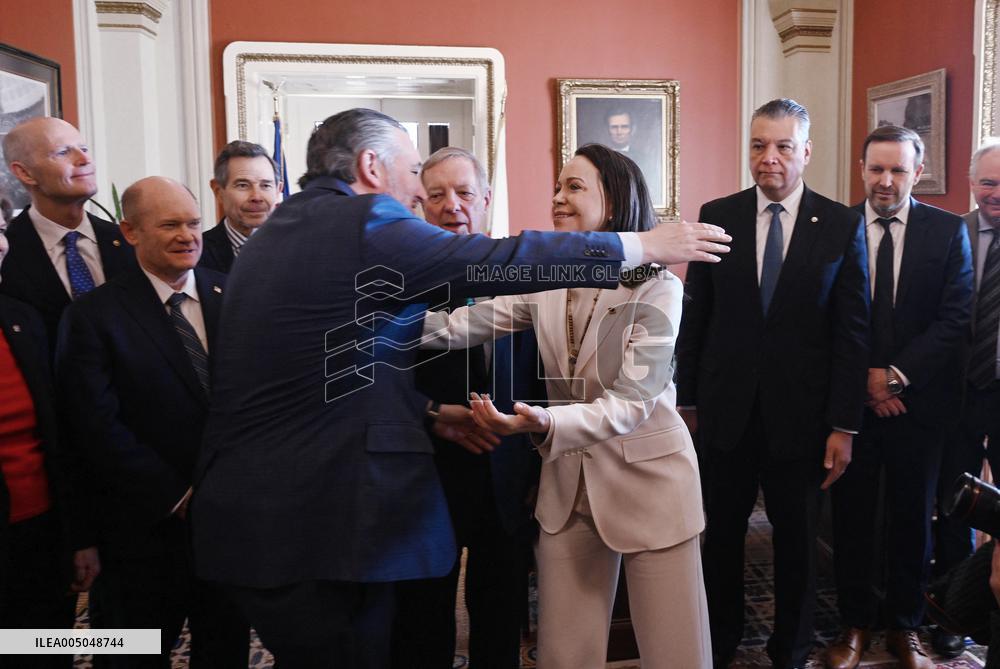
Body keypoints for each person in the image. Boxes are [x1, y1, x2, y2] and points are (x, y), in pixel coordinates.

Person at [189, 108, 730, 668]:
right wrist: (639, 243)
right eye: (414, 172)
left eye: (574, 187)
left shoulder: (291, 226)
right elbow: (473, 295)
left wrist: (376, 337)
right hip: (325, 511)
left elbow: (633, 399)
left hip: (638, 481)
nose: (418, 192)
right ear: (371, 166)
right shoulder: (363, 221)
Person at [421, 143, 710, 668]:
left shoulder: (659, 289)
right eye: (557, 187)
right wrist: (370, 324)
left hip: (652, 484)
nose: (557, 198)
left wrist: (547, 421)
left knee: (675, 652)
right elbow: (460, 326)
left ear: (614, 203)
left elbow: (633, 402)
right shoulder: (547, 279)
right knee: (563, 653)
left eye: (574, 187)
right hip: (567, 488)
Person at [675, 98, 870, 669]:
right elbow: (697, 316)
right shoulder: (718, 216)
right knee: (721, 537)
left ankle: (791, 649)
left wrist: (844, 425)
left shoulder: (841, 225)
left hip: (803, 419)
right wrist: (688, 401)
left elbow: (851, 333)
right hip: (725, 411)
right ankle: (719, 642)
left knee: (796, 545)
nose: (770, 158)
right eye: (759, 145)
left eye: (783, 146)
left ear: (806, 152)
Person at [56, 177, 248, 667]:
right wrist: (177, 496)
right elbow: (94, 424)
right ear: (130, 232)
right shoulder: (94, 315)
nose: (187, 236)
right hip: (142, 529)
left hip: (231, 523)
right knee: (133, 651)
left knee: (225, 646)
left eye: (193, 223)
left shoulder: (236, 294)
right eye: (169, 225)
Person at [825, 126, 974, 669]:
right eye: (876, 169)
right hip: (851, 408)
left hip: (920, 404)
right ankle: (854, 624)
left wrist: (895, 377)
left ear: (918, 172)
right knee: (852, 521)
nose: (885, 181)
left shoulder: (946, 231)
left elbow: (956, 315)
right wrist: (864, 384)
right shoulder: (835, 227)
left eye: (898, 170)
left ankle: (905, 627)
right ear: (861, 169)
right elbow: (825, 316)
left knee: (914, 520)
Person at [391, 146, 545, 668]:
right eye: (437, 195)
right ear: (421, 204)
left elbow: (543, 377)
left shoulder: (524, 274)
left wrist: (537, 468)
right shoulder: (399, 280)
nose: (451, 205)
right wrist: (432, 413)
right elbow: (378, 379)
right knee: (422, 615)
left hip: (507, 471)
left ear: (485, 198)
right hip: (427, 472)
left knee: (500, 610)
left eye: (463, 192)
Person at [0, 223, 89, 669]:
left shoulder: (21, 317)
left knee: (43, 647)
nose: (0, 243)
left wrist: (79, 538)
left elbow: (59, 434)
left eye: (0, 229)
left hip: (40, 529)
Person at [934, 140, 1000, 618]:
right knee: (955, 501)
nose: (997, 193)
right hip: (956, 392)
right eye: (989, 183)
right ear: (972, 183)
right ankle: (955, 611)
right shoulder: (949, 234)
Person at [0, 117, 134, 347]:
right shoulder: (6, 250)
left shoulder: (129, 241)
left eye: (84, 149)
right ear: (24, 172)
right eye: (63, 152)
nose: (85, 160)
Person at [200, 140, 281, 273]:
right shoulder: (197, 254)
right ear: (218, 191)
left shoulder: (297, 248)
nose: (256, 197)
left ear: (278, 191)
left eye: (265, 185)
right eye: (242, 185)